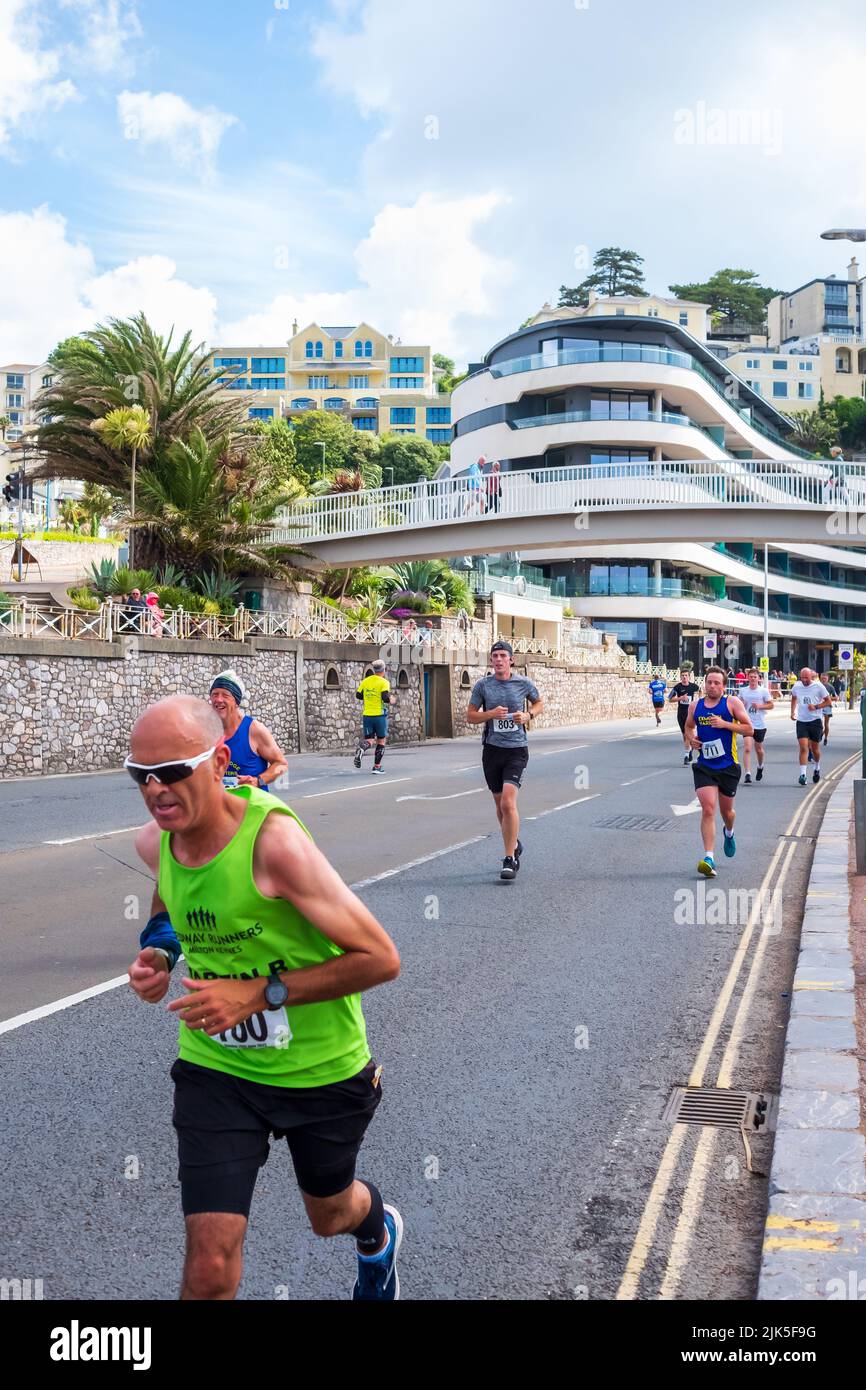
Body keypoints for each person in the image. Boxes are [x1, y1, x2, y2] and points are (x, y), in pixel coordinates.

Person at [125, 695, 402, 1301]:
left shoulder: (274, 846)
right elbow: (171, 901)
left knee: (330, 1214)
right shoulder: (157, 841)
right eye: (139, 776)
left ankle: (378, 1232)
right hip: (217, 1067)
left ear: (220, 760)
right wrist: (160, 955)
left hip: (320, 1068)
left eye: (172, 771)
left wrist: (258, 994)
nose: (156, 789)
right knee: (209, 1262)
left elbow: (381, 958)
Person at [467, 640, 544, 881]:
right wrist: (490, 714)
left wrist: (528, 714)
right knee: (500, 807)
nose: (498, 659)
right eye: (495, 656)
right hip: (492, 750)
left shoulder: (523, 683)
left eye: (503, 656)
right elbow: (470, 716)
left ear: (511, 660)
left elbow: (539, 703)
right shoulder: (483, 686)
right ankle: (514, 842)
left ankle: (509, 859)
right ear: (491, 660)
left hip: (516, 750)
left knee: (508, 804)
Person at [685, 666, 752, 878]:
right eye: (709, 682)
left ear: (724, 686)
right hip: (705, 765)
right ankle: (709, 857)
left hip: (728, 766)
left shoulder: (731, 703)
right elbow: (688, 727)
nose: (712, 686)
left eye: (716, 683)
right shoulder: (695, 706)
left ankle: (729, 832)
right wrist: (692, 739)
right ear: (704, 683)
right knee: (707, 809)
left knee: (727, 813)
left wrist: (724, 724)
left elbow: (749, 728)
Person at [208, 669, 288, 790]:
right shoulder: (206, 730)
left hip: (252, 807)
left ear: (236, 702)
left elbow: (281, 765)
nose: (218, 699)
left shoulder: (254, 730)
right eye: (215, 694)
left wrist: (258, 781)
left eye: (225, 695)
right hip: (220, 807)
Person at [790, 667, 833, 784]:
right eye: (802, 677)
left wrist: (816, 707)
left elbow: (828, 701)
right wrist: (792, 712)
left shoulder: (818, 686)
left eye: (806, 678)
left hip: (815, 721)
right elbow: (793, 698)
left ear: (811, 677)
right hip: (802, 721)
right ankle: (803, 775)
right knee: (803, 747)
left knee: (815, 749)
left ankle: (817, 767)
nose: (804, 680)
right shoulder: (797, 686)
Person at [354, 659, 393, 775]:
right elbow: (385, 697)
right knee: (381, 740)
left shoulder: (366, 681)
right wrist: (391, 700)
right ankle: (377, 767)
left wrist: (369, 697)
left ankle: (361, 749)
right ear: (383, 670)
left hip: (367, 715)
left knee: (369, 740)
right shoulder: (384, 682)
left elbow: (358, 695)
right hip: (379, 715)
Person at [741, 668, 774, 784]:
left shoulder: (763, 691)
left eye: (755, 677)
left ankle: (760, 766)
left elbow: (771, 705)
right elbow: (738, 705)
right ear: (747, 678)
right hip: (747, 724)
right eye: (751, 677)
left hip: (760, 724)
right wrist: (742, 704)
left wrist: (760, 706)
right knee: (747, 748)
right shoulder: (743, 691)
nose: (753, 679)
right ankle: (747, 773)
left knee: (759, 749)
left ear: (758, 678)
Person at [668, 667, 700, 764]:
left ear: (689, 677)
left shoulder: (694, 686)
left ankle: (686, 754)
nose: (684, 677)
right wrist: (680, 698)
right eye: (682, 676)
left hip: (691, 713)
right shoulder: (677, 687)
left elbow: (701, 691)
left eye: (686, 675)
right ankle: (689, 750)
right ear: (680, 677)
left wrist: (699, 699)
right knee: (685, 734)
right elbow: (670, 699)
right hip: (681, 713)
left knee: (688, 733)